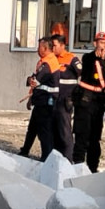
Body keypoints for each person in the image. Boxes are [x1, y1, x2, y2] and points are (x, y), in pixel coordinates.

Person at [35, 32, 80, 160]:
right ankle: (55, 158)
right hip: (53, 100)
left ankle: (68, 159)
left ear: (62, 45)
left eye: (54, 46)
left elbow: (80, 75)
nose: (52, 48)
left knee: (64, 132)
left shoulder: (71, 59)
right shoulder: (51, 60)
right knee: (52, 132)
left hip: (65, 100)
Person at [73, 31, 105, 171]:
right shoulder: (88, 58)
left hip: (99, 104)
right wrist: (95, 55)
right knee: (82, 135)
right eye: (101, 43)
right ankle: (77, 166)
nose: (104, 46)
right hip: (85, 101)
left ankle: (93, 168)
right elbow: (88, 65)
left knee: (95, 138)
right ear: (95, 44)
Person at [19, 37, 52, 157]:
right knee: (32, 129)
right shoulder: (42, 62)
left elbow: (34, 80)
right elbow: (32, 80)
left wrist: (31, 81)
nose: (37, 49)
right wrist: (30, 97)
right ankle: (24, 151)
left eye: (39, 47)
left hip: (45, 102)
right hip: (39, 100)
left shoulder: (48, 63)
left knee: (44, 132)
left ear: (45, 48)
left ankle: (46, 157)